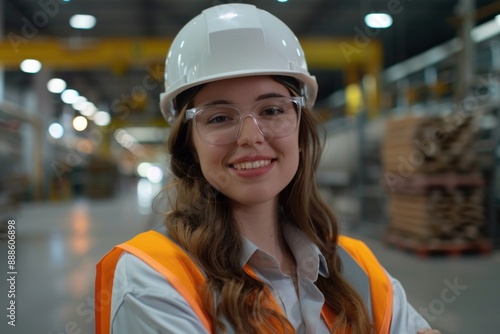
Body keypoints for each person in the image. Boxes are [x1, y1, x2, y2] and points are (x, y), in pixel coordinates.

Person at [95, 4, 441, 334]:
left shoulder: (357, 266)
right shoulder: (153, 276)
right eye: (218, 117)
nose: (250, 137)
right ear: (189, 144)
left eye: (272, 110)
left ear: (300, 131)